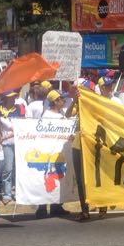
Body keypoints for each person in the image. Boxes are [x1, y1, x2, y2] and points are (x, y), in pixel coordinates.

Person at [36, 90, 72, 218]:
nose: (64, 101)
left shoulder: (62, 113)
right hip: (49, 153)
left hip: (60, 153)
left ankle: (56, 206)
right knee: (48, 179)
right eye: (62, 99)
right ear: (55, 101)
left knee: (59, 179)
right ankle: (41, 208)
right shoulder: (47, 116)